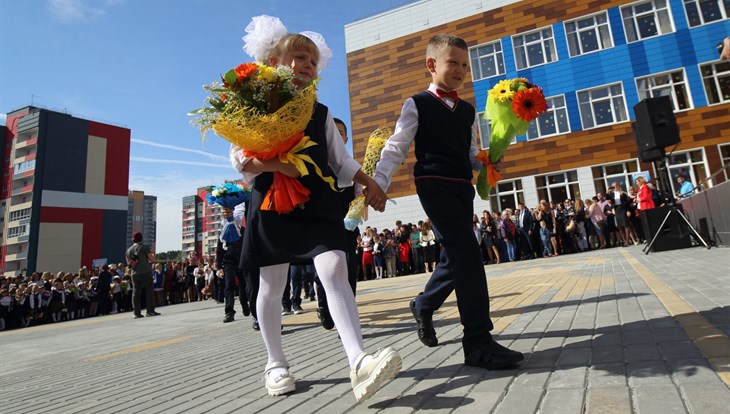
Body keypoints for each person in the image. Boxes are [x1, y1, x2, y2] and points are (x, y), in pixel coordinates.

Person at [231, 21, 400, 401]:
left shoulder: (321, 111)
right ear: (276, 61)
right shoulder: (255, 104)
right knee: (273, 284)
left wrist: (369, 182)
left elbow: (339, 161)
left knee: (335, 267)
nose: (307, 64)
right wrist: (276, 165)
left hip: (315, 199)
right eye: (298, 57)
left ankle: (358, 361)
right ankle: (275, 364)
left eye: (312, 59)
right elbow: (241, 160)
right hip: (271, 200)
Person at [372, 34, 523, 369]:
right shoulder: (417, 103)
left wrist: (485, 161)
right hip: (433, 184)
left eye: (465, 65)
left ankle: (424, 304)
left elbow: (469, 152)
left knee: (455, 255)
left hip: (461, 187)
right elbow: (395, 147)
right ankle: (478, 343)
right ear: (432, 65)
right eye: (453, 62)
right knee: (467, 255)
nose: (460, 70)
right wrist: (378, 183)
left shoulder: (468, 110)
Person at [315, 117, 360, 331]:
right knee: (326, 271)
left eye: (341, 132)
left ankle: (348, 318)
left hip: (347, 228)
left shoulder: (353, 168)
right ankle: (324, 307)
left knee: (349, 270)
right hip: (322, 227)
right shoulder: (316, 165)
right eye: (333, 131)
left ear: (346, 137)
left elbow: (359, 196)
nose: (337, 135)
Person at [216, 203, 251, 323]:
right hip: (228, 261)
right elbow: (219, 250)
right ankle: (229, 312)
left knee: (243, 284)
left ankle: (244, 304)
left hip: (241, 260)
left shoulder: (244, 231)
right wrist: (218, 267)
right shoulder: (224, 231)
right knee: (229, 285)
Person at [125, 232, 160, 319]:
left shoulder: (128, 250)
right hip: (145, 272)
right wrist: (152, 254)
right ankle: (150, 311)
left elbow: (129, 264)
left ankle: (137, 313)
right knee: (149, 291)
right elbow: (152, 260)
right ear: (141, 238)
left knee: (135, 293)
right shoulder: (144, 247)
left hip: (134, 274)